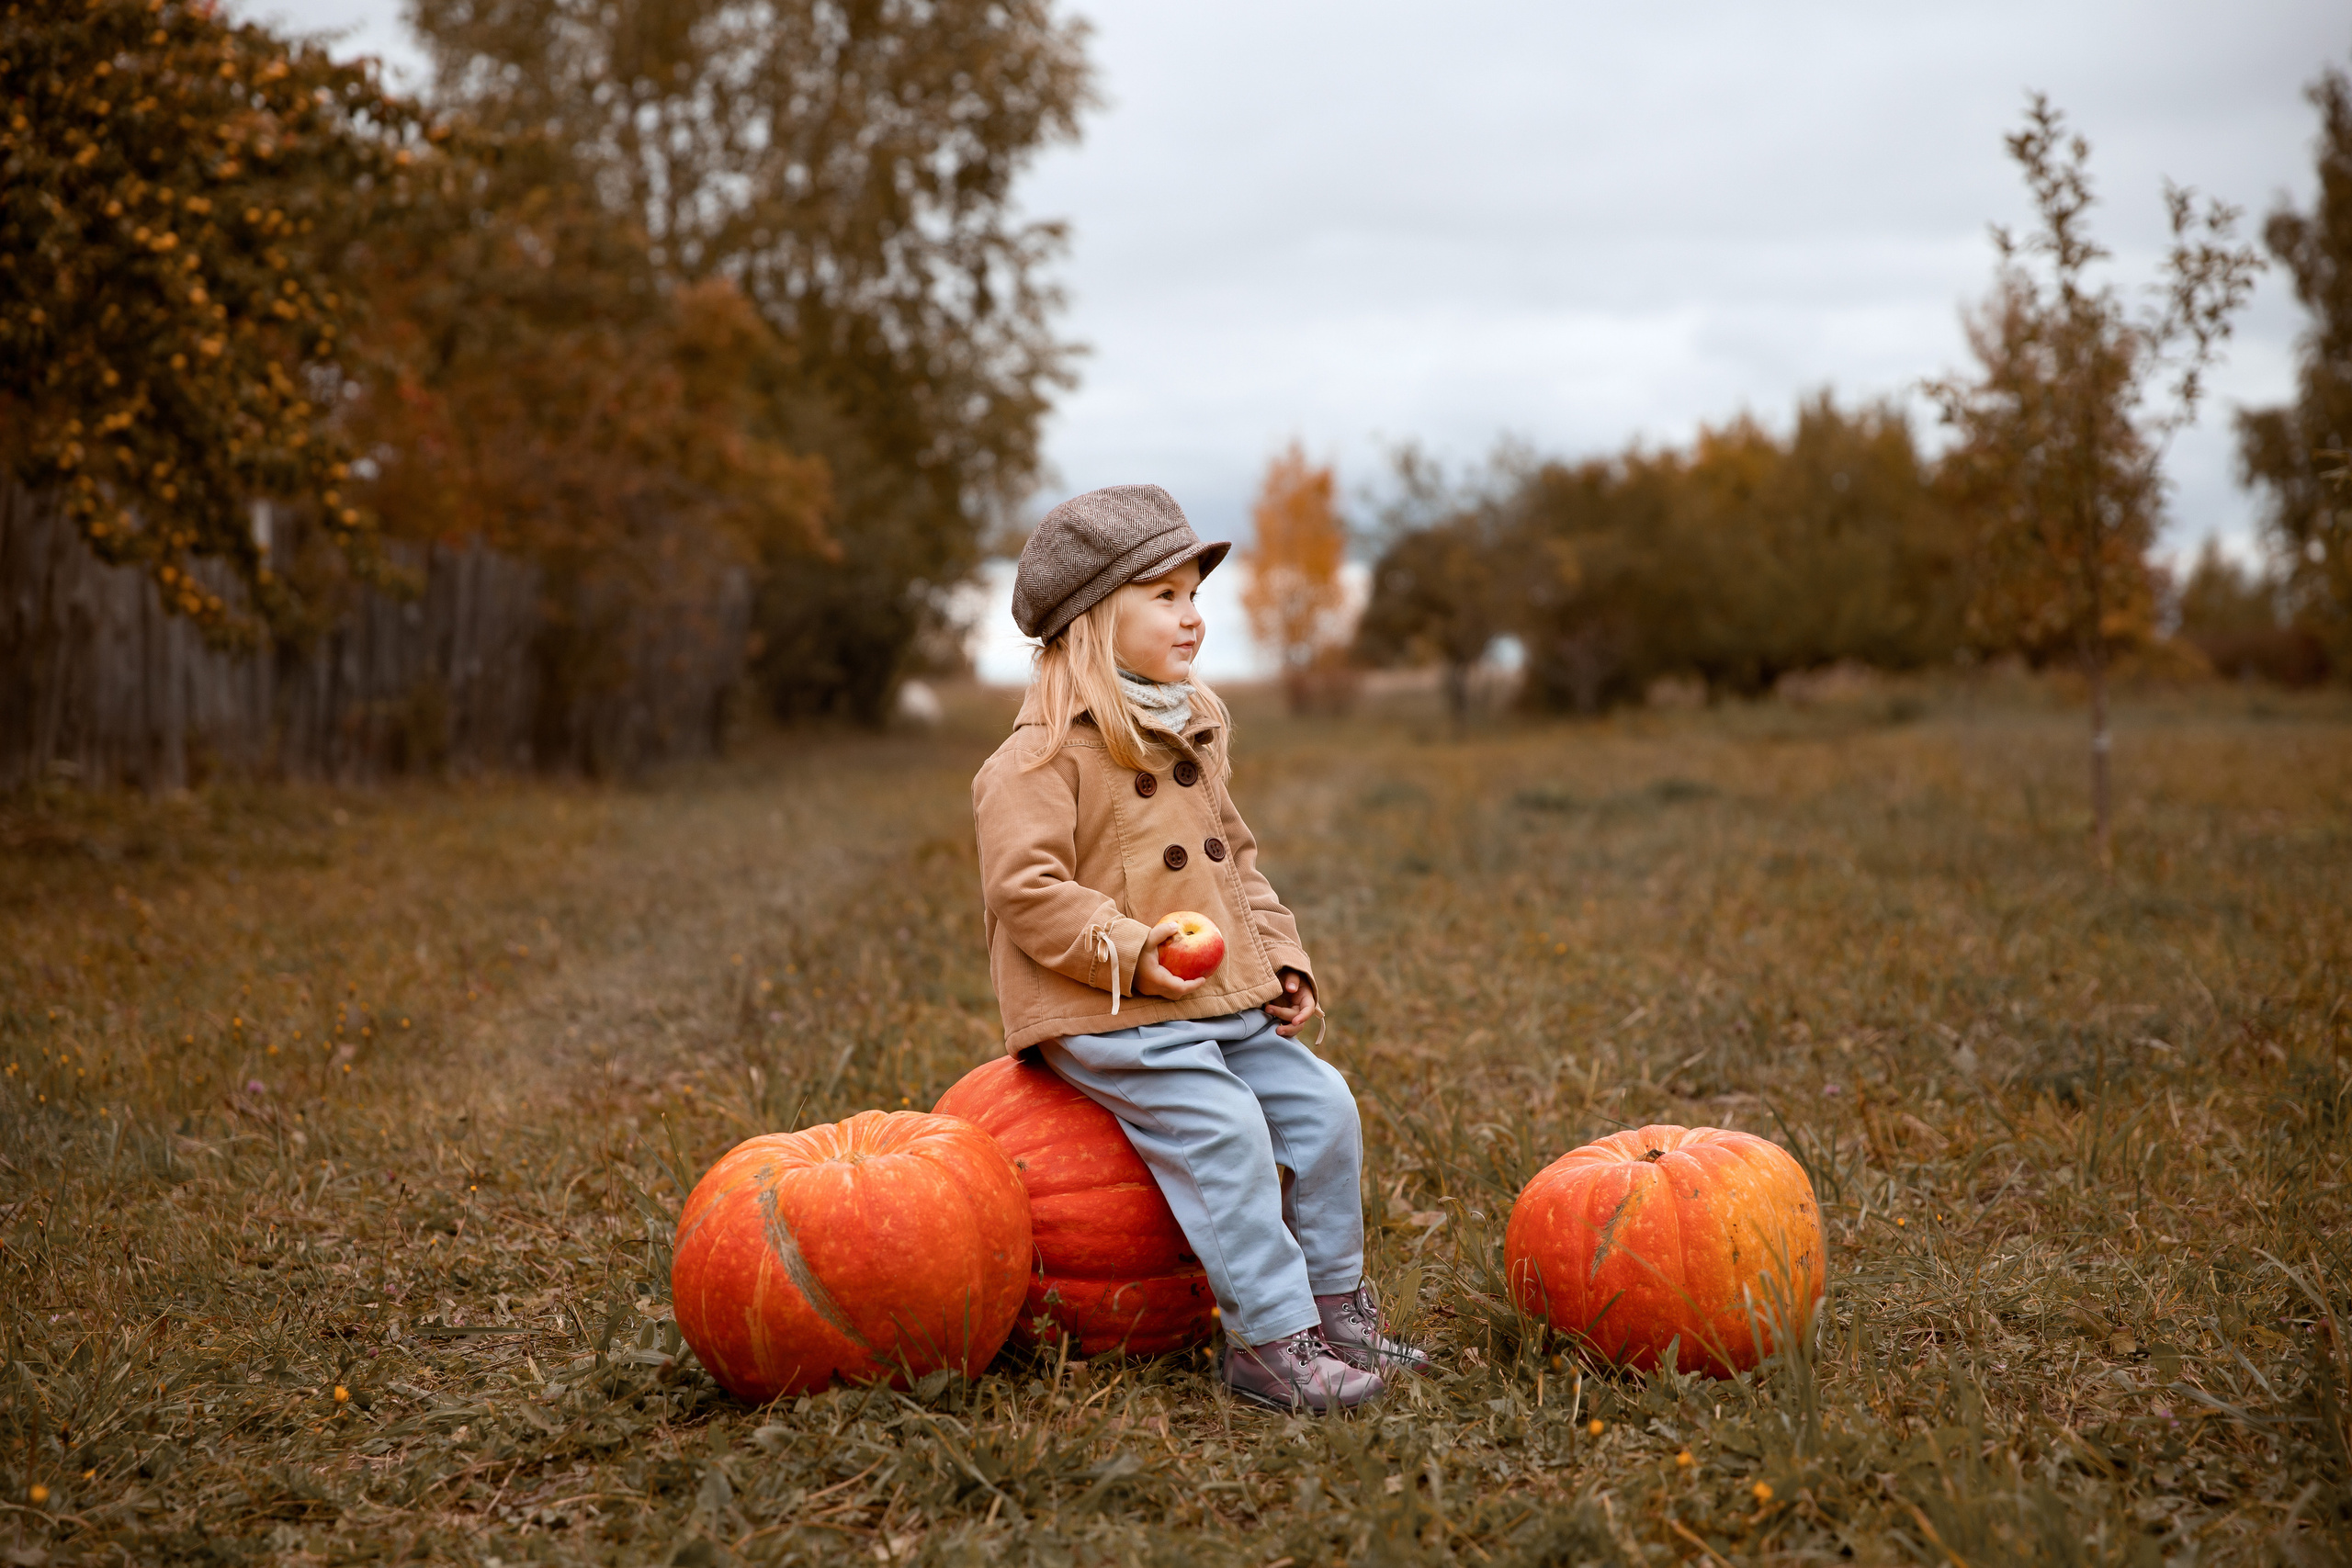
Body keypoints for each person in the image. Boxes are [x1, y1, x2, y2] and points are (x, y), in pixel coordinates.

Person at [971, 483, 1428, 1413]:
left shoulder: (1188, 730)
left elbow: (1236, 868)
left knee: (1323, 1107)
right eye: (1166, 598)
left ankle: (1338, 1311)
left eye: (1195, 598)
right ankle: (1270, 1342)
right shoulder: (1035, 760)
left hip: (1210, 995)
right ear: (1095, 619)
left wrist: (1281, 964)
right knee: (1225, 1130)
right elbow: (1028, 895)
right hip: (1109, 1007)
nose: (1193, 620)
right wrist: (1137, 951)